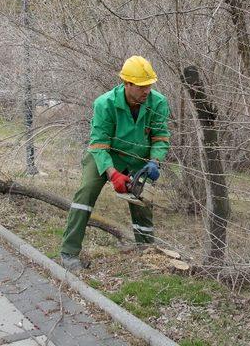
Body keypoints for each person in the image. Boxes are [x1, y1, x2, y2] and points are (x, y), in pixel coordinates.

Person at [60, 56, 171, 271]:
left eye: (149, 85)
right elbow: (99, 143)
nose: (146, 90)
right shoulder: (105, 104)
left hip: (138, 158)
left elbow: (160, 137)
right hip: (104, 155)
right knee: (86, 194)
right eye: (141, 86)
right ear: (127, 84)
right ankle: (69, 252)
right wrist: (113, 174)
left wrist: (155, 161)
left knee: (143, 203)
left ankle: (147, 252)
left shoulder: (158, 102)